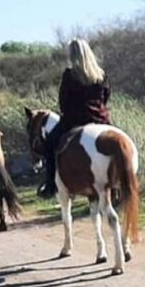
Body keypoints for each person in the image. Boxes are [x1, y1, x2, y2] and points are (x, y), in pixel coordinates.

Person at [38, 39, 111, 198]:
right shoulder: (102, 75)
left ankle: (50, 185)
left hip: (74, 120)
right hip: (100, 120)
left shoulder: (69, 74)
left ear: (73, 55)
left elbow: (63, 101)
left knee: (49, 144)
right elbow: (105, 98)